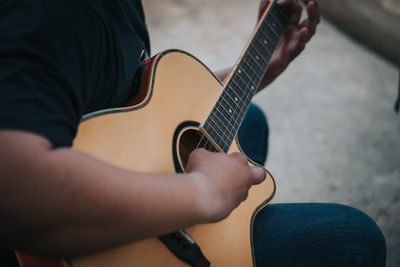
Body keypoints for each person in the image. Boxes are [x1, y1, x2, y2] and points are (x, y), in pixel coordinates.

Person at [0, 0, 386, 266]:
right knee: (356, 240)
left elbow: (124, 100)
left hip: (114, 175)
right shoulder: (47, 13)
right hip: (81, 242)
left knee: (250, 119)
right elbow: (17, 187)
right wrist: (205, 192)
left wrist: (247, 73)